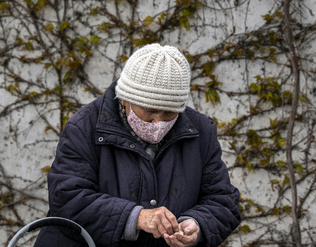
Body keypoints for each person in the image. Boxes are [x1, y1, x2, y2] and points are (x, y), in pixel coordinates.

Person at [34, 44, 241, 247]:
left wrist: (197, 225)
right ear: (125, 98)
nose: (158, 122)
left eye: (169, 113)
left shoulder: (200, 131)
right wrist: (137, 217)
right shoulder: (84, 127)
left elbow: (222, 200)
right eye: (149, 111)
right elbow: (67, 197)